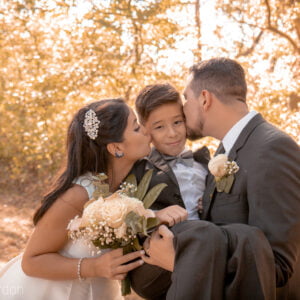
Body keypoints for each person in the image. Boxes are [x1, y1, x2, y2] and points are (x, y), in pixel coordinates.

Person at [141, 58, 300, 299]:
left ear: (205, 99)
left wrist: (182, 263)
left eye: (187, 98)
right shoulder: (223, 152)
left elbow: (276, 267)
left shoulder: (272, 149)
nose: (182, 109)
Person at [0, 99, 151, 300]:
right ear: (116, 148)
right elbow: (31, 261)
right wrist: (95, 267)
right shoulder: (79, 194)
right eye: (136, 128)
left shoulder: (129, 186)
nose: (147, 132)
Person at [129, 83, 210, 298]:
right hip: (161, 265)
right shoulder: (138, 170)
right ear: (145, 129)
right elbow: (124, 218)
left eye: (177, 122)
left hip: (208, 252)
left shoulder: (205, 163)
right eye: (159, 127)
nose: (172, 133)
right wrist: (154, 217)